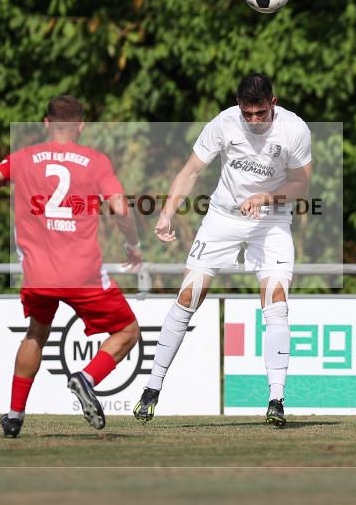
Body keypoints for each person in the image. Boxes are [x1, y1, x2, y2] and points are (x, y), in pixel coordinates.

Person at [0, 95, 143, 437]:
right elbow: (121, 208)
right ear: (80, 126)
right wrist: (132, 246)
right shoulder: (95, 161)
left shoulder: (23, 159)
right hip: (83, 274)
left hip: (38, 274)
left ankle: (14, 416)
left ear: (46, 123)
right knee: (127, 331)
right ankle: (87, 377)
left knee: (36, 333)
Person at [133, 73, 311, 427]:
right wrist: (168, 213)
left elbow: (302, 184)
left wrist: (267, 198)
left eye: (261, 113)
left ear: (273, 104)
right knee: (189, 294)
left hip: (271, 220)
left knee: (275, 300)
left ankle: (276, 398)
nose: (254, 121)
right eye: (248, 114)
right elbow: (191, 170)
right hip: (222, 217)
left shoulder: (294, 129)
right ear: (238, 106)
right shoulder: (224, 123)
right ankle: (151, 390)